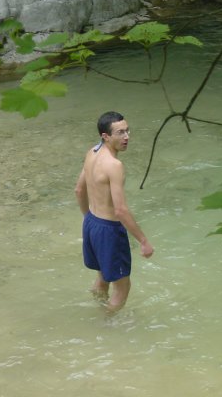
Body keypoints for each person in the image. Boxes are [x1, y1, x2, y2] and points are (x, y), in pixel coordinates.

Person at [75, 111, 154, 312]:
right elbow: (120, 210)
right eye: (120, 133)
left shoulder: (91, 153)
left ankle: (98, 310)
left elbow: (79, 190)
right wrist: (143, 241)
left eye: (127, 131)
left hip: (92, 223)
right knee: (123, 287)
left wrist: (88, 219)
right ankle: (106, 325)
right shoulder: (114, 165)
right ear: (106, 136)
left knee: (102, 277)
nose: (127, 137)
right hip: (109, 230)